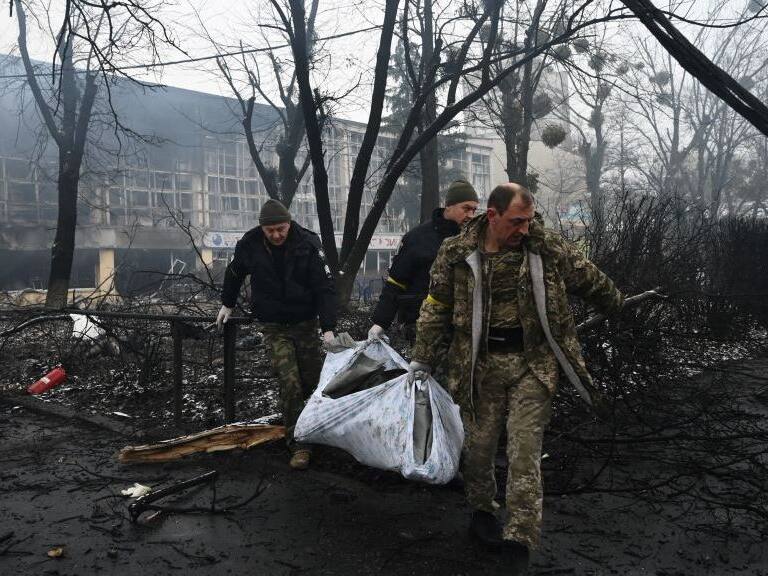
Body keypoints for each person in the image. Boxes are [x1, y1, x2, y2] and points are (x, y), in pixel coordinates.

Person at [408, 183, 623, 572]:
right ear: (492, 216)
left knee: (525, 450)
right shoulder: (457, 253)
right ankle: (482, 512)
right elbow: (437, 304)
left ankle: (520, 536)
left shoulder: (543, 247)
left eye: (528, 220)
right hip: (479, 366)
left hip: (532, 365)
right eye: (516, 221)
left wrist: (617, 302)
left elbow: (585, 275)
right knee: (479, 447)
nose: (524, 228)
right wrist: (423, 357)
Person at [216, 198, 336, 471]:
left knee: (313, 382)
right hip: (273, 326)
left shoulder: (308, 244)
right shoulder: (250, 244)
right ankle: (300, 444)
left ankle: (320, 428)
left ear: (289, 223)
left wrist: (328, 327)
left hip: (305, 323)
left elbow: (325, 287)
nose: (277, 235)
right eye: (270, 231)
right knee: (289, 382)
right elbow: (234, 273)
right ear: (262, 229)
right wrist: (227, 303)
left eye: (281, 228)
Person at [368, 179, 479, 342]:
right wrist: (380, 322)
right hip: (422, 325)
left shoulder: (474, 240)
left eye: (474, 210)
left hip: (464, 327)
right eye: (466, 208)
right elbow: (396, 281)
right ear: (449, 205)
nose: (471, 215)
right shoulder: (417, 238)